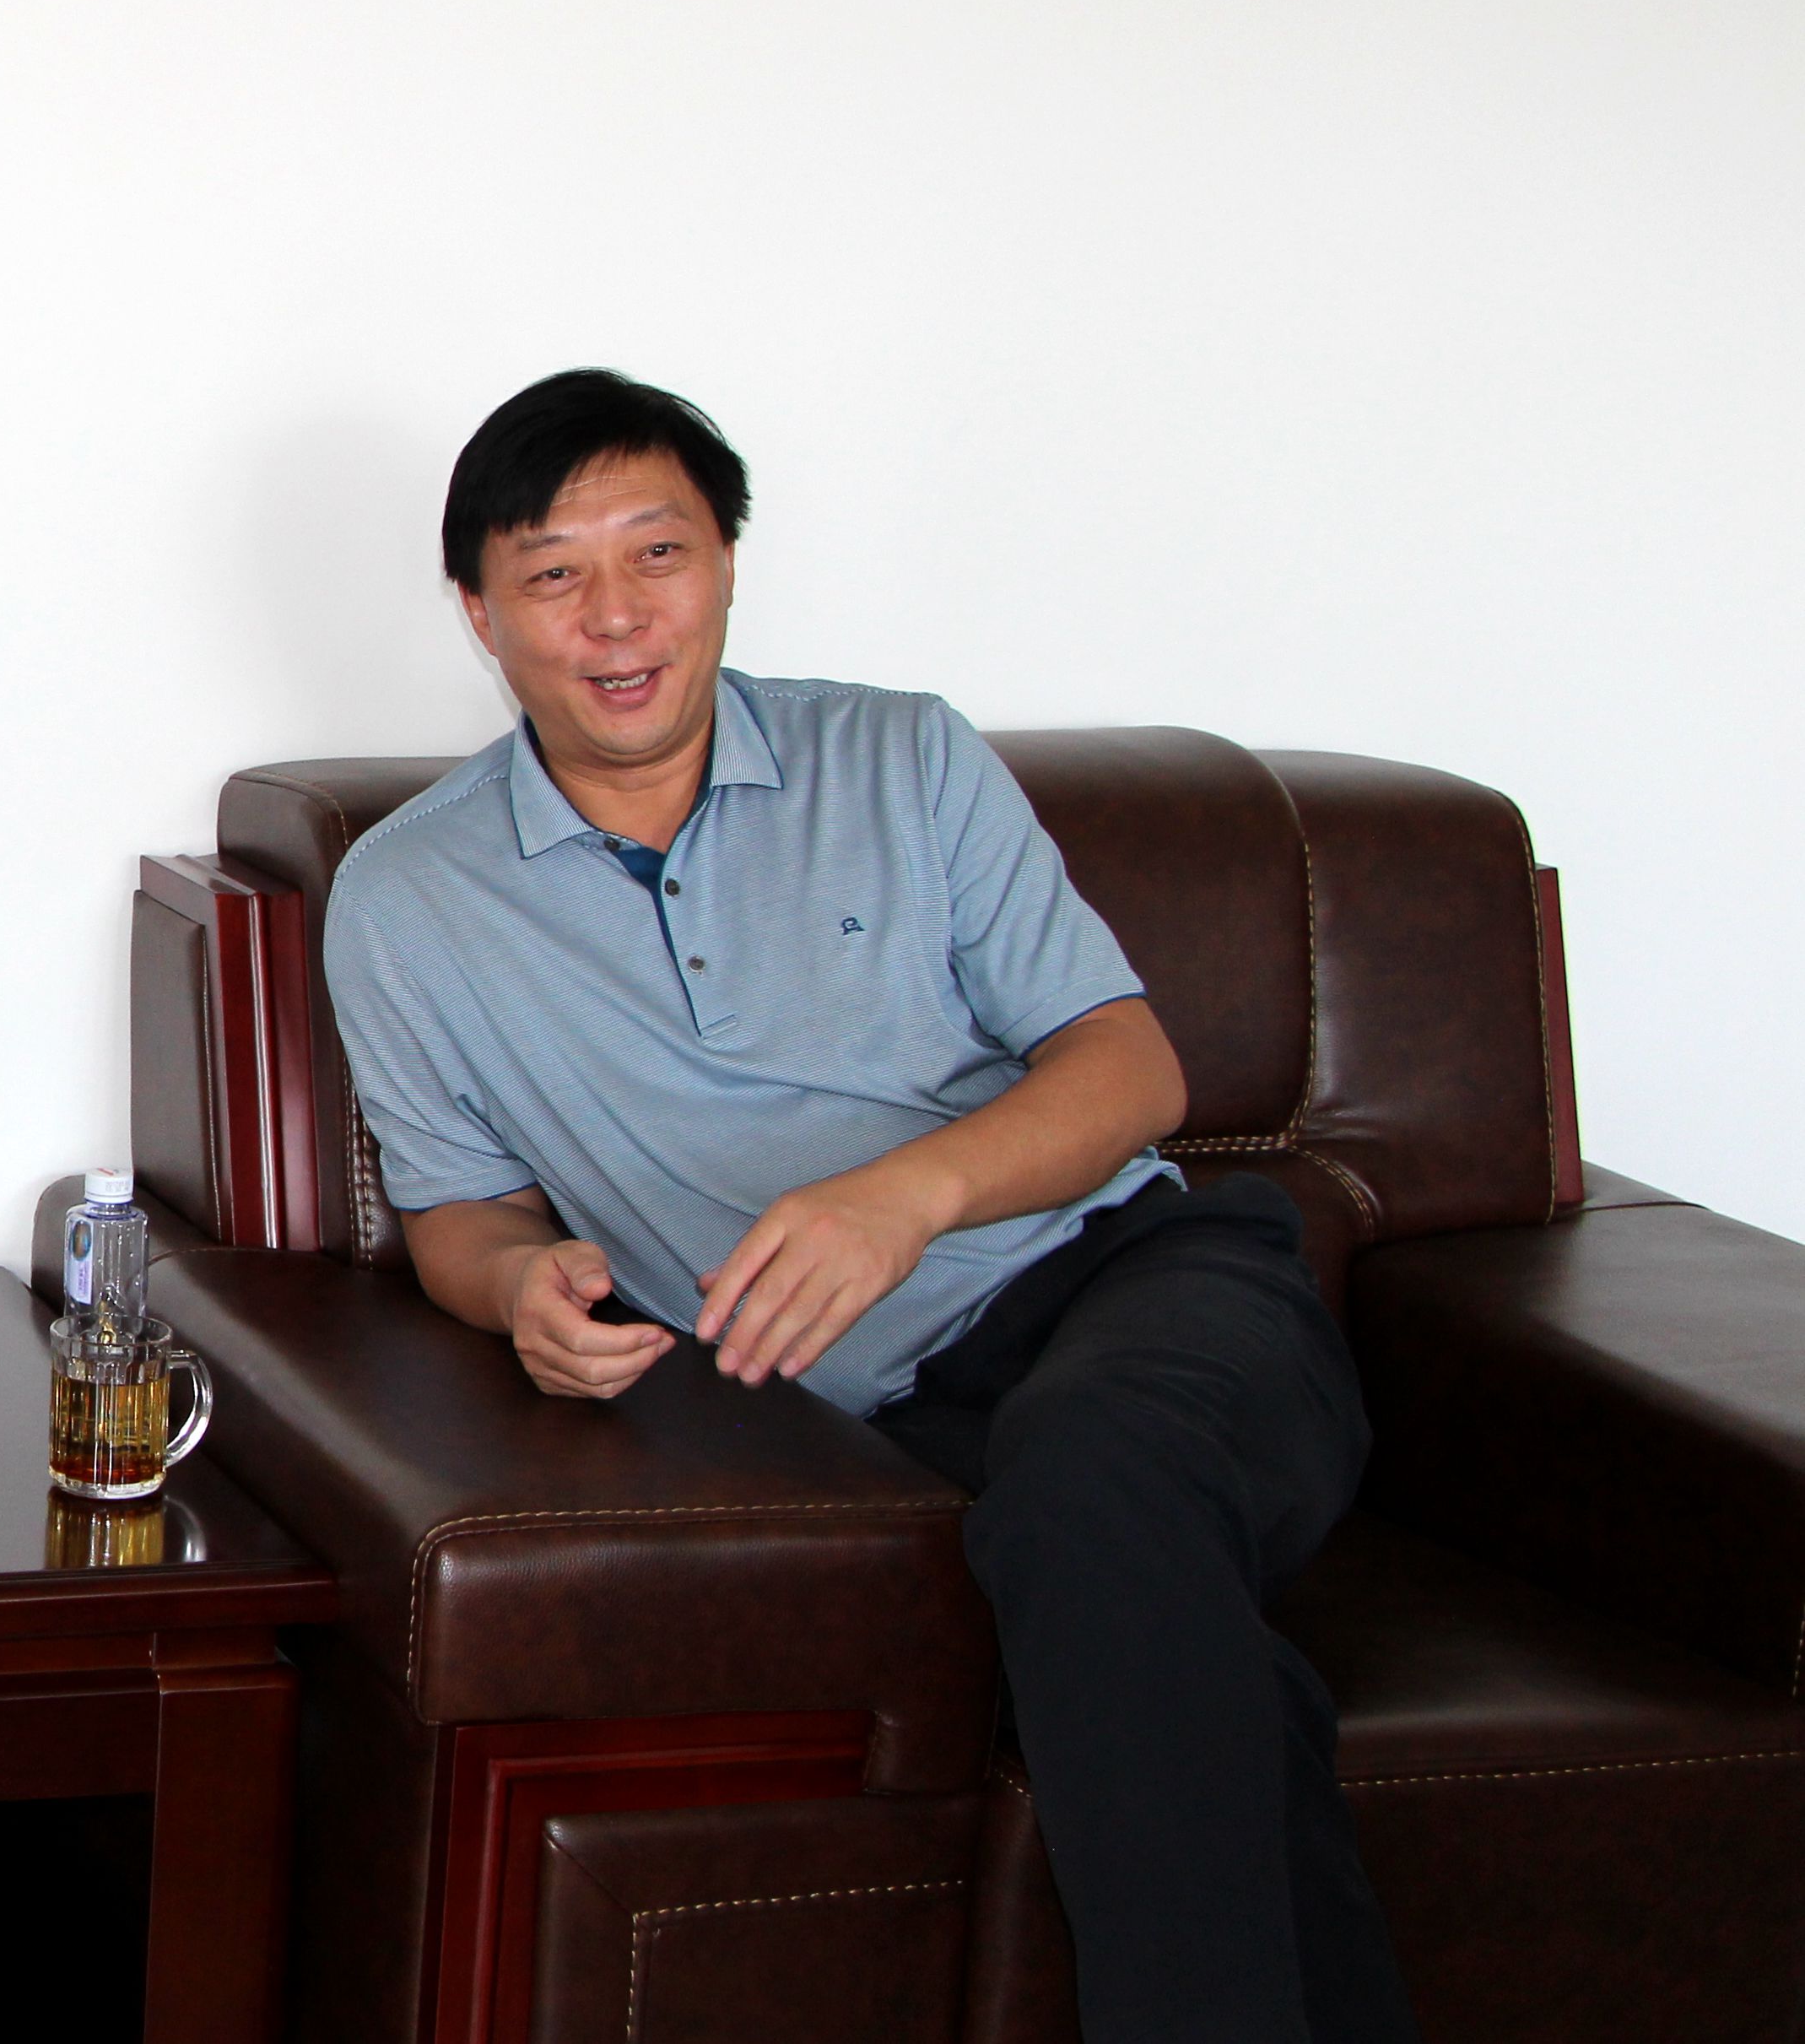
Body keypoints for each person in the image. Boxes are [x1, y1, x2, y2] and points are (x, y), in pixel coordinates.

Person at [327, 369, 1413, 2044]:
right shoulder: (405, 896)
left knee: (1092, 1493)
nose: (614, 616)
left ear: (724, 565)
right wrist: (520, 1287)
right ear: (479, 614)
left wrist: (902, 1199)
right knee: (1154, 1622)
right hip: (863, 1415)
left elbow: (1130, 1071)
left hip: (1141, 1289)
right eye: (551, 574)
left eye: (657, 553)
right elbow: (457, 1212)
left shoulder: (900, 757)